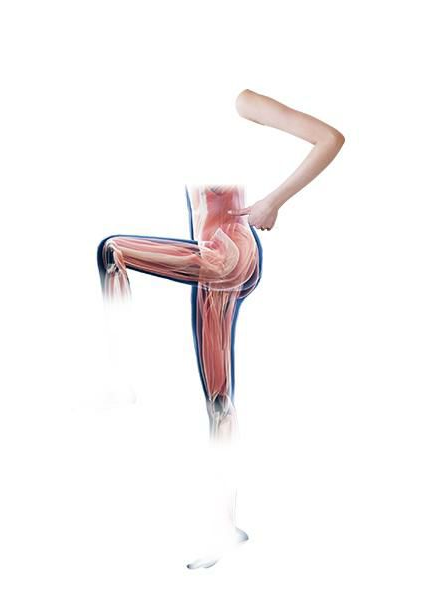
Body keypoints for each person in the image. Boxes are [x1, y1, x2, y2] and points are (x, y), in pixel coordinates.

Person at [97, 89, 345, 569]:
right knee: (218, 400)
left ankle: (119, 378)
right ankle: (225, 525)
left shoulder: (239, 99)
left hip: (228, 256)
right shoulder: (182, 116)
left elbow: (330, 138)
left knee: (113, 251)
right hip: (215, 263)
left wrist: (272, 202)